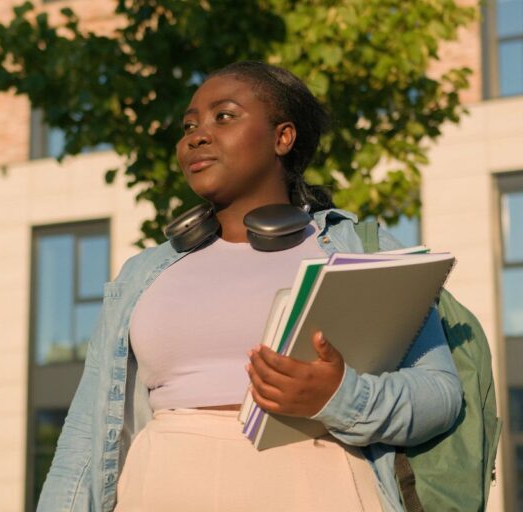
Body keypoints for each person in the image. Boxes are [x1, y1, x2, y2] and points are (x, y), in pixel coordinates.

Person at [37, 61, 462, 512]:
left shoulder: (359, 250)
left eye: (224, 116)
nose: (196, 136)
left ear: (283, 137)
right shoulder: (142, 274)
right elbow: (86, 437)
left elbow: (440, 395)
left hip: (319, 490)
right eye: (188, 125)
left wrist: (340, 396)